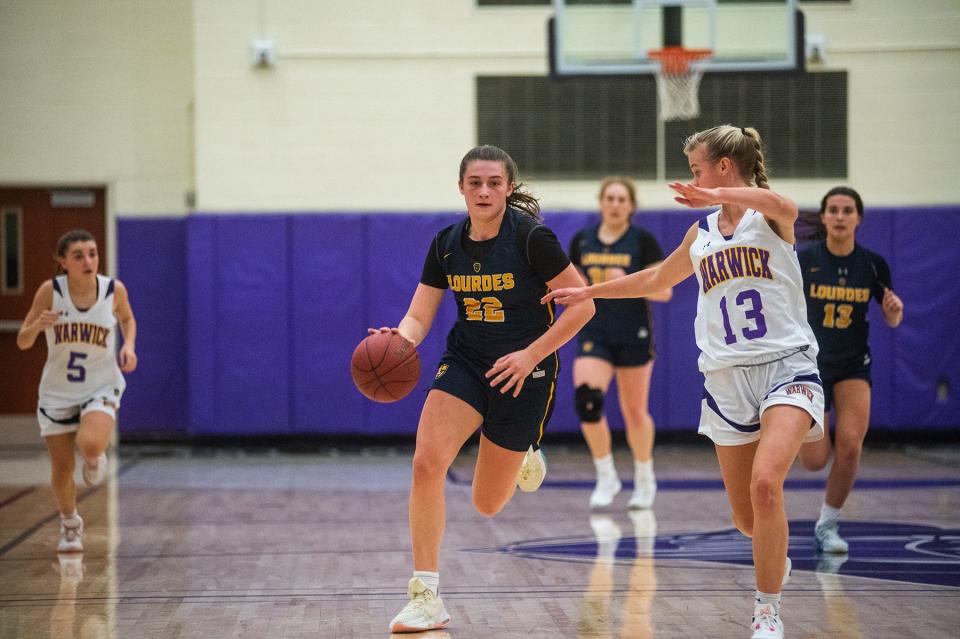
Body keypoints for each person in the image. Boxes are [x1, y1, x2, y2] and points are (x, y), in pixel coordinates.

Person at [544, 125, 823, 639]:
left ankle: (767, 611)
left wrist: (719, 194)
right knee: (747, 518)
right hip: (724, 377)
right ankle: (772, 556)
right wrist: (591, 294)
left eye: (697, 168)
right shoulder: (702, 235)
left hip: (787, 366)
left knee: (767, 485)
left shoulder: (772, 218)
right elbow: (655, 280)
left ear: (722, 165)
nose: (691, 179)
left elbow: (780, 198)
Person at [378, 145, 595, 633]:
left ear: (509, 188)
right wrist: (400, 339)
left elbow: (582, 307)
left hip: (524, 369)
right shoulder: (447, 244)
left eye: (494, 182)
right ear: (461, 188)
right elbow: (418, 315)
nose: (483, 190)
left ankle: (526, 450)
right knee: (426, 463)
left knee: (486, 503)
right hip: (467, 362)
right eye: (474, 182)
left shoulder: (533, 239)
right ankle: (426, 594)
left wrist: (531, 355)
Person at [17, 229, 137, 553]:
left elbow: (127, 318)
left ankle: (95, 455)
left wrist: (129, 345)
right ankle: (70, 524)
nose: (88, 260)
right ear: (62, 261)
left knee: (91, 443)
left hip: (100, 383)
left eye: (93, 253)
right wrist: (36, 326)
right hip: (57, 391)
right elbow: (23, 341)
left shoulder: (114, 290)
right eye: (79, 255)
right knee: (62, 469)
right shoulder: (49, 292)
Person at [797, 187, 903, 554]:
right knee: (813, 461)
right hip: (811, 364)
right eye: (834, 210)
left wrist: (893, 311)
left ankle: (827, 524)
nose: (840, 216)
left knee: (851, 448)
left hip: (854, 364)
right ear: (824, 216)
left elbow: (891, 316)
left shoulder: (872, 264)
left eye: (847, 210)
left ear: (858, 218)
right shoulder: (804, 260)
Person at [569, 177, 672, 509]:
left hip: (633, 334)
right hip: (594, 332)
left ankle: (644, 477)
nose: (614, 204)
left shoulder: (642, 242)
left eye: (621, 199)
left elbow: (665, 290)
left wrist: (628, 283)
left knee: (634, 412)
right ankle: (606, 475)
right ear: (601, 203)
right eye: (609, 198)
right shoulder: (582, 241)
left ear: (631, 206)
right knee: (587, 401)